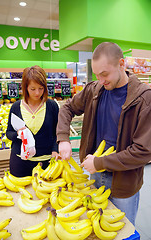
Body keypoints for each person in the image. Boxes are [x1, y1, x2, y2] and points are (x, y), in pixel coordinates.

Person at [56, 42, 151, 225]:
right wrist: (63, 139)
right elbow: (67, 108)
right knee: (97, 227)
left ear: (121, 64)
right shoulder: (94, 90)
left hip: (124, 183)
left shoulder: (144, 98)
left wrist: (100, 163)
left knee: (122, 231)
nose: (100, 80)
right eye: (97, 74)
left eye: (105, 74)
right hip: (95, 175)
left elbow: (143, 151)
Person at [6, 65, 59, 177]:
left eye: (41, 88)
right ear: (25, 88)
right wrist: (18, 134)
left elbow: (58, 132)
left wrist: (55, 150)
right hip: (20, 162)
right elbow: (8, 133)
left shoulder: (52, 106)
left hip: (46, 163)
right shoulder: (16, 107)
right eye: (33, 89)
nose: (37, 93)